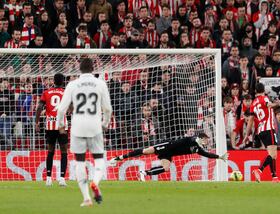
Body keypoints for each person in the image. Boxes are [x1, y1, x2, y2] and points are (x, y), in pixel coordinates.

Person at [57, 58, 112, 207]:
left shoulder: (72, 84)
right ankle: (95, 182)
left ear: (79, 70)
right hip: (95, 125)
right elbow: (108, 109)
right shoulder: (100, 84)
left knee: (79, 161)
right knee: (99, 158)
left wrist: (60, 124)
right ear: (93, 69)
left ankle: (86, 198)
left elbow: (61, 109)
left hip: (78, 126)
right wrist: (105, 124)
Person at [109, 133, 228, 181]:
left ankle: (143, 173)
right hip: (166, 146)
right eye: (206, 140)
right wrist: (196, 139)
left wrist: (219, 157)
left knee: (166, 168)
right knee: (145, 151)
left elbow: (207, 154)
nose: (207, 142)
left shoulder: (197, 149)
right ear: (201, 138)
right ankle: (117, 158)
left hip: (169, 154)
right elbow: (191, 138)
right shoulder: (192, 140)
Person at [243, 83, 280, 183]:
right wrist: (277, 104)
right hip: (268, 128)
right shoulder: (264, 98)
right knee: (273, 154)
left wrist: (247, 135)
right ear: (263, 90)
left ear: (256, 91)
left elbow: (250, 120)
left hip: (260, 130)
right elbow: (269, 105)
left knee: (271, 154)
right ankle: (259, 170)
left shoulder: (253, 103)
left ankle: (274, 177)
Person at [35, 73, 68, 187]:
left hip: (50, 125)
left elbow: (39, 107)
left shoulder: (46, 92)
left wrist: (37, 122)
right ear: (63, 82)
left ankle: (48, 178)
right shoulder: (65, 92)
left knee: (50, 150)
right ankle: (62, 178)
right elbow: (71, 107)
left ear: (53, 81)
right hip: (62, 126)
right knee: (64, 151)